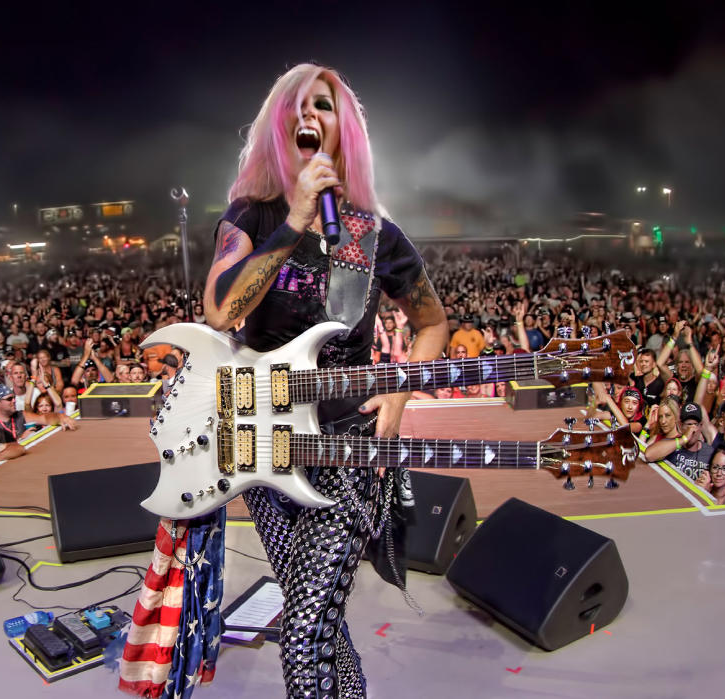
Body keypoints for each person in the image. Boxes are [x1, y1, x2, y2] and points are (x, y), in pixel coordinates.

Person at [184, 63, 449, 699]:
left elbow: (432, 323)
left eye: (324, 105)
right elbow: (222, 311)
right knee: (320, 619)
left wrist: (401, 387)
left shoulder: (374, 234)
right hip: (261, 447)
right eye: (297, 106)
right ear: (282, 126)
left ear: (342, 127)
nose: (310, 116)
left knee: (301, 631)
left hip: (347, 448)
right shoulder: (248, 217)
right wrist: (295, 218)